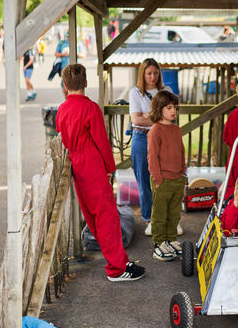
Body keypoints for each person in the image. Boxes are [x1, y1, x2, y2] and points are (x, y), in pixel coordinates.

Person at [56, 64, 145, 282]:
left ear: (65, 86)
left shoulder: (61, 109)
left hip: (76, 166)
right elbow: (102, 142)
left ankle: (119, 259)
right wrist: (110, 168)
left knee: (94, 217)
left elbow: (62, 139)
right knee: (107, 217)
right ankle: (116, 268)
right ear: (86, 83)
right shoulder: (91, 108)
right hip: (92, 165)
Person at [128, 58, 182, 236]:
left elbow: (171, 114)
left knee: (167, 178)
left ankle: (169, 219)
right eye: (149, 73)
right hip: (141, 138)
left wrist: (148, 116)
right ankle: (150, 219)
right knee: (145, 181)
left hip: (164, 138)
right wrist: (159, 118)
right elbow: (136, 119)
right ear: (142, 74)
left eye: (155, 73)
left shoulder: (166, 90)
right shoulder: (135, 92)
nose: (152, 77)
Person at [146, 90, 186, 261]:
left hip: (178, 179)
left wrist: (183, 173)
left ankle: (170, 240)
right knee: (160, 214)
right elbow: (152, 156)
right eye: (169, 107)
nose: (173, 111)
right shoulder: (155, 130)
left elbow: (181, 151)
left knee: (174, 214)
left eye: (175, 107)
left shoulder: (176, 129)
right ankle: (159, 244)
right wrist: (158, 179)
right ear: (159, 109)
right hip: (162, 180)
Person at [55, 32, 70, 98]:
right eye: (68, 37)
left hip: (75, 69)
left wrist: (75, 53)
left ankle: (70, 100)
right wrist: (63, 55)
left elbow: (83, 55)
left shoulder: (78, 43)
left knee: (73, 86)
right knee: (64, 85)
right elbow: (56, 54)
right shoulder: (61, 43)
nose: (68, 38)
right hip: (64, 68)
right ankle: (67, 99)